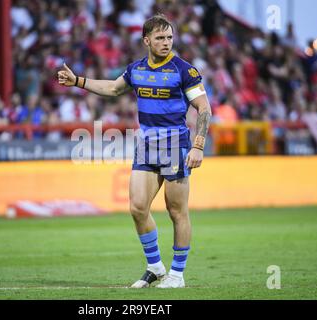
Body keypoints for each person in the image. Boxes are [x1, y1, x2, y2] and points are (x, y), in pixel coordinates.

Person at [58, 14, 211, 288]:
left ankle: (177, 275)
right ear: (146, 40)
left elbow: (204, 108)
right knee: (137, 207)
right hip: (146, 145)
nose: (166, 43)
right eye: (160, 38)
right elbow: (113, 88)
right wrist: (78, 81)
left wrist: (198, 145)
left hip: (175, 144)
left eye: (169, 37)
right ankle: (155, 267)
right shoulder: (136, 70)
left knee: (176, 211)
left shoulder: (184, 70)